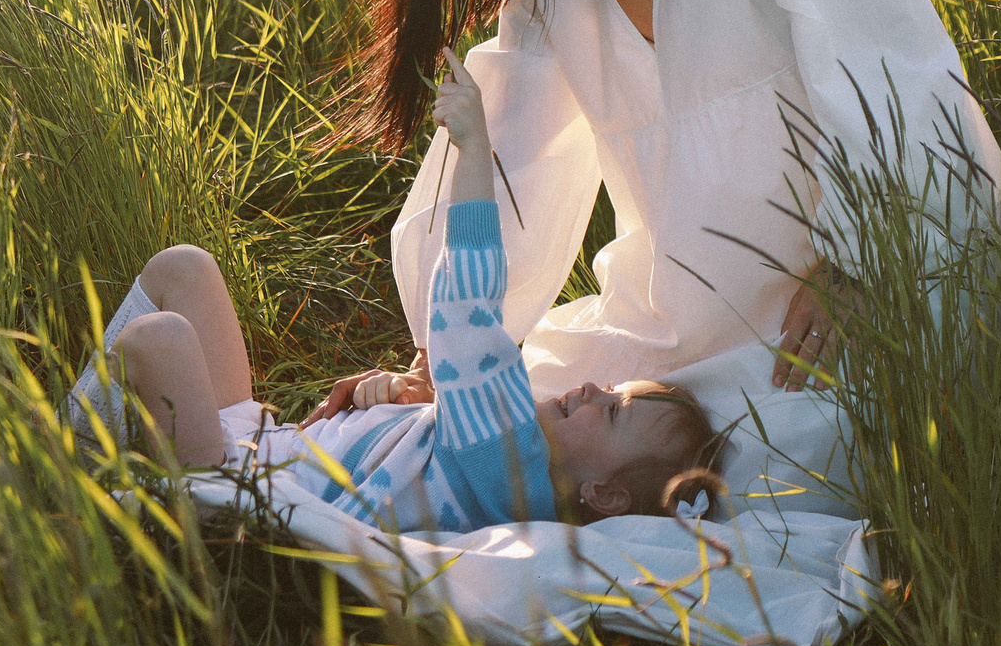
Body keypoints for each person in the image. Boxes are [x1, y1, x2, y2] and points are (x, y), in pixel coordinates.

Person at [315, 0, 1001, 500]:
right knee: (520, 419)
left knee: (793, 454)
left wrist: (855, 259)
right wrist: (443, 355)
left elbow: (886, 61)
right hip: (674, 316)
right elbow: (512, 159)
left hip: (843, 283)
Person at [70, 55, 726, 531]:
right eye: (612, 392)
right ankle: (82, 447)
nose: (592, 389)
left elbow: (467, 309)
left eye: (610, 411)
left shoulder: (512, 459)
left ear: (603, 494)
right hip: (265, 449)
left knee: (160, 337)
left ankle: (62, 471)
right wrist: (387, 392)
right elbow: (427, 436)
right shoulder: (503, 462)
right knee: (183, 267)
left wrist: (473, 146)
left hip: (232, 492)